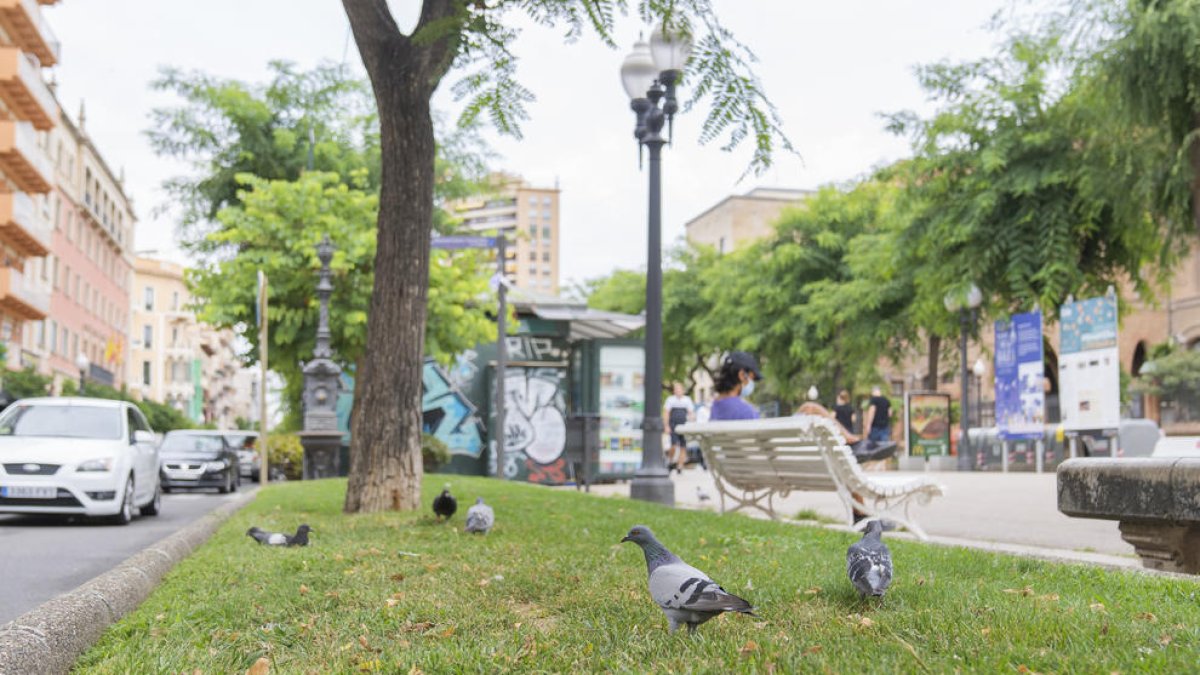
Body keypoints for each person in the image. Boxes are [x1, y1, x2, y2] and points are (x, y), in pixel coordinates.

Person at [709, 351, 762, 421]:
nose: (751, 382)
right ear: (742, 375)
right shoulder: (747, 413)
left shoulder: (715, 406)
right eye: (751, 378)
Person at [663, 382, 695, 474]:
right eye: (676, 389)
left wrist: (692, 418)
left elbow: (691, 412)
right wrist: (666, 425)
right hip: (673, 424)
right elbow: (666, 413)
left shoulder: (687, 400)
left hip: (683, 425)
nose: (678, 391)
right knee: (674, 445)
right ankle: (669, 460)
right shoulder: (670, 400)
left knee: (683, 446)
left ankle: (680, 465)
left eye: (679, 389)